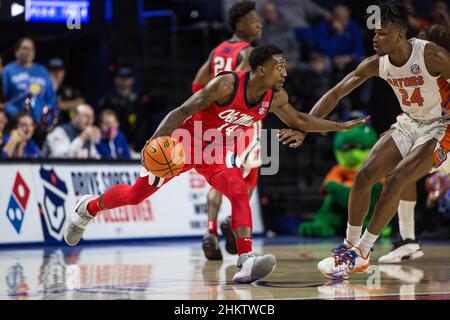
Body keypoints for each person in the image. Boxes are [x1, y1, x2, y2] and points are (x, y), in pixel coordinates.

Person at [63, 44, 368, 284]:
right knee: (134, 196)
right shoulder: (225, 85)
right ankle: (88, 209)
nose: (285, 72)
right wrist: (154, 141)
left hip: (215, 154)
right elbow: (182, 111)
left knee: (237, 189)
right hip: (182, 146)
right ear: (260, 69)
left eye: (285, 66)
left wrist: (338, 126)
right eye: (279, 67)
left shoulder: (275, 97)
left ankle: (245, 259)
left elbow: (300, 120)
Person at [278, 2, 449, 279]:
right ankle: (348, 246)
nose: (375, 38)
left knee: (397, 179)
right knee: (364, 175)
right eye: (374, 33)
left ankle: (363, 252)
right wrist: (304, 128)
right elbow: (335, 94)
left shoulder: (430, 55)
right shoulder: (376, 64)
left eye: (382, 33)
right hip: (410, 122)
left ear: (399, 35)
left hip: (442, 125)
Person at [192, 1, 264, 261]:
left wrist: (212, 107)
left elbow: (198, 84)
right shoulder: (248, 52)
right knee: (247, 181)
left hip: (218, 124)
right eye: (254, 19)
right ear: (239, 24)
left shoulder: (218, 50)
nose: (260, 23)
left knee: (219, 178)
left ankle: (210, 229)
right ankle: (234, 227)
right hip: (243, 122)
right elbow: (241, 85)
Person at [378, 24, 449, 263]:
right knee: (402, 168)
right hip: (430, 130)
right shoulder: (417, 68)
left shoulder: (437, 64)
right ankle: (407, 240)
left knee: (405, 172)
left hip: (443, 134)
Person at [2, 38, 57, 136]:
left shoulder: (42, 71)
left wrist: (49, 119)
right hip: (17, 122)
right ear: (16, 52)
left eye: (31, 49)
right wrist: (15, 115)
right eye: (25, 48)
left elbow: (51, 98)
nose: (28, 52)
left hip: (40, 124)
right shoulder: (8, 70)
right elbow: (3, 99)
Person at [47, 58, 85, 124]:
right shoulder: (43, 88)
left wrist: (60, 105)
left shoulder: (69, 89)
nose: (57, 73)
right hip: (47, 124)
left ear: (64, 72)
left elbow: (81, 102)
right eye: (53, 70)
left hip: (66, 125)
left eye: (59, 70)